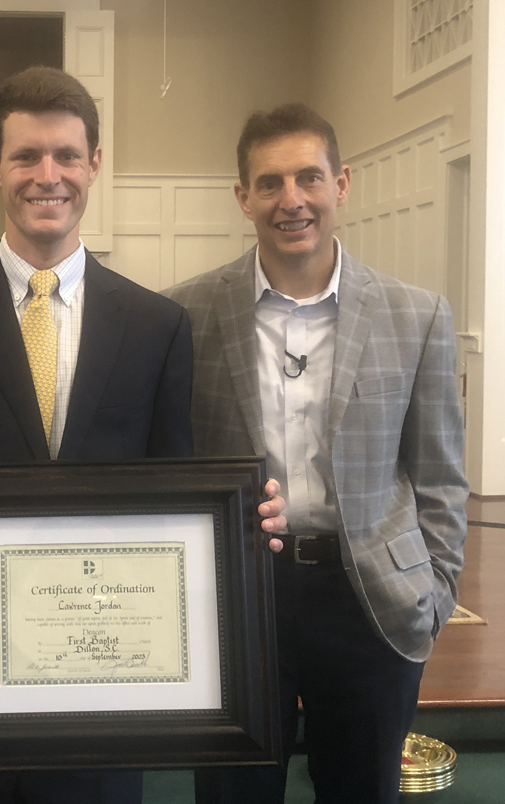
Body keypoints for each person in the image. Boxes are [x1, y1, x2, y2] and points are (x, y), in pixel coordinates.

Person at [0, 66, 286, 804]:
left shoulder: (156, 327)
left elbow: (175, 508)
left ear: (95, 164)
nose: (46, 175)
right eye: (25, 156)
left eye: (65, 155)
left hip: (105, 692)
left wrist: (244, 524)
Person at [164, 103, 469, 804]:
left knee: (361, 790)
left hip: (369, 600)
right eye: (269, 183)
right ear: (243, 197)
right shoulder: (185, 316)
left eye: (309, 177)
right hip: (237, 596)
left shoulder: (416, 315)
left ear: (342, 184)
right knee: (231, 793)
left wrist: (438, 590)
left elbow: (441, 475)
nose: (291, 200)